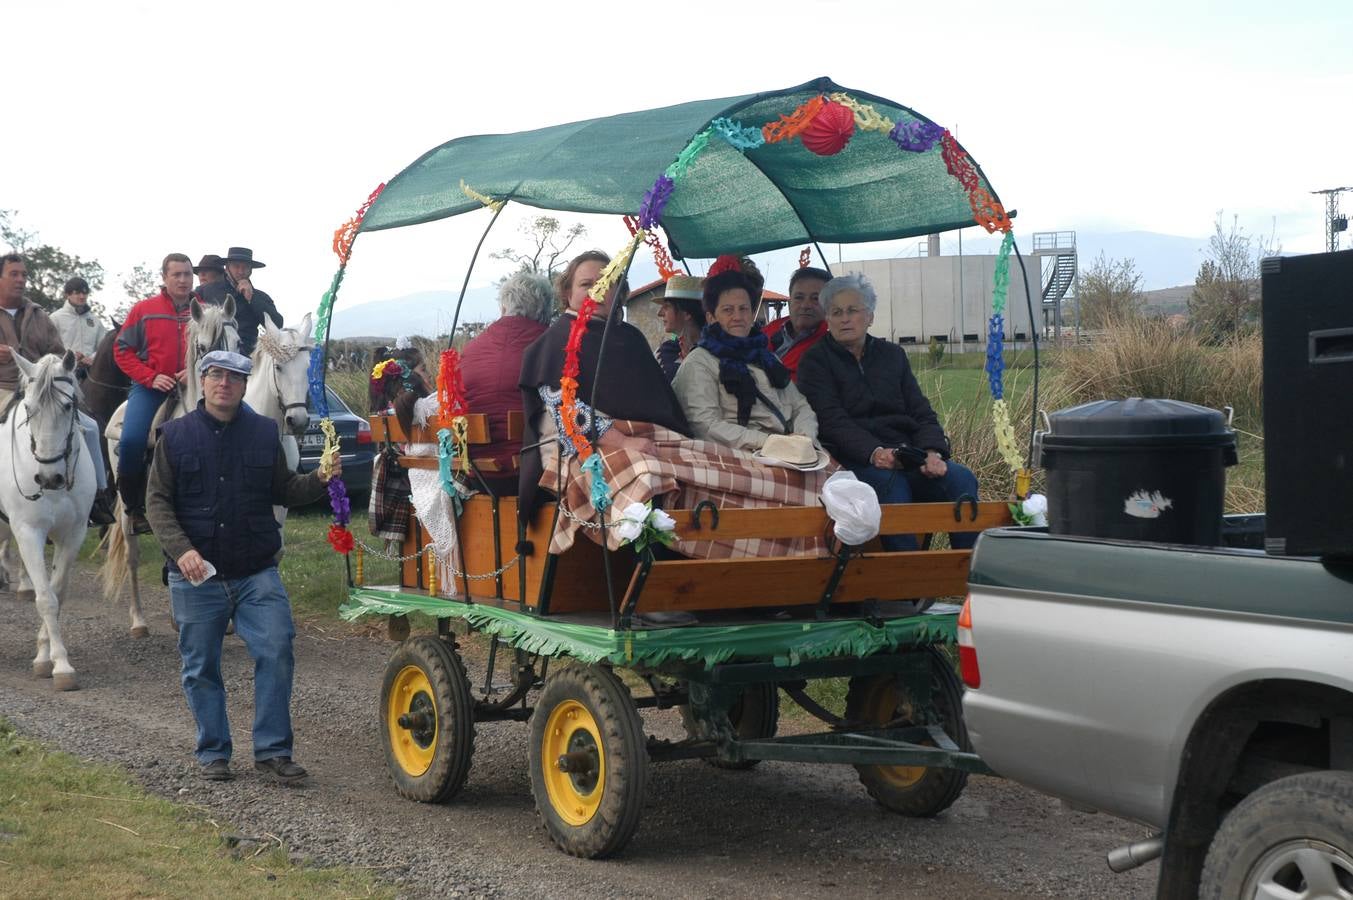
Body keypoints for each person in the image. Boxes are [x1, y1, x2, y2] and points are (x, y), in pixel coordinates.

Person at [146, 349, 338, 783]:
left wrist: (321, 479)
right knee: (201, 666)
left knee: (277, 649)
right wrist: (181, 551)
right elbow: (156, 502)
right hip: (196, 576)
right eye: (216, 375)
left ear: (244, 383)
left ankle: (272, 752)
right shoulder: (174, 436)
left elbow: (285, 490)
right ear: (203, 380)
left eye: (234, 377)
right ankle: (213, 752)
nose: (224, 384)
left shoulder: (264, 433)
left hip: (256, 572)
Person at [797, 273, 980, 550]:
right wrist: (876, 453)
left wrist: (933, 452)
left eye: (852, 310)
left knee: (961, 478)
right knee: (891, 487)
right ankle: (907, 586)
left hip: (907, 454)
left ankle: (967, 575)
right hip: (854, 461)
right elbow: (832, 421)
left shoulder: (892, 355)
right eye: (836, 312)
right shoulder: (815, 362)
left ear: (869, 317)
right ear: (828, 319)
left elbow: (921, 412)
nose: (845, 318)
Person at [518, 250, 690, 522]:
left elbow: (662, 406)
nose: (597, 291)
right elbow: (569, 418)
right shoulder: (554, 342)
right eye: (586, 284)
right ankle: (652, 559)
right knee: (648, 476)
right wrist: (624, 440)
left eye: (606, 283)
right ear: (568, 292)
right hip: (581, 454)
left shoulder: (629, 337)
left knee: (717, 467)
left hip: (651, 441)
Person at [0, 255, 113, 524]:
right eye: (14, 274)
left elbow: (58, 353)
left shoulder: (39, 315)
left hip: (43, 390)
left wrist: (63, 364)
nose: (21, 280)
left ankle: (98, 496)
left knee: (92, 426)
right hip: (2, 386)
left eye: (24, 275)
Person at [672, 258, 820, 454]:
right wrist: (771, 442)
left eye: (743, 309)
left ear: (752, 314)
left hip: (790, 449)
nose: (738, 317)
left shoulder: (766, 358)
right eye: (727, 310)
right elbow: (705, 425)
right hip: (744, 455)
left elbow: (800, 406)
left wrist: (804, 437)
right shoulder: (699, 362)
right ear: (711, 317)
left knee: (847, 482)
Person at [114, 253, 195, 534]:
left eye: (187, 274)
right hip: (151, 387)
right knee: (132, 440)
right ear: (164, 278)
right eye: (177, 275)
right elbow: (122, 351)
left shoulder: (206, 310)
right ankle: (133, 508)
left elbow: (218, 350)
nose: (183, 280)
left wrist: (195, 370)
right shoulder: (144, 310)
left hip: (195, 386)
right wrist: (151, 377)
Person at [460, 271, 553, 491]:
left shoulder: (471, 348)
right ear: (545, 310)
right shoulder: (551, 344)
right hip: (529, 474)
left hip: (477, 474)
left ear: (503, 308)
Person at [197, 247, 281, 356]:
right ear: (227, 268)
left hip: (247, 361)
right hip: (213, 359)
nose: (241, 271)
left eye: (245, 267)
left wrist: (252, 298)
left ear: (250, 270)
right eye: (236, 266)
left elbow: (277, 325)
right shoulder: (206, 290)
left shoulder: (261, 297)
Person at [762, 266, 831, 381]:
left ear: (829, 305)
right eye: (799, 297)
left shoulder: (832, 348)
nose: (805, 305)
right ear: (789, 303)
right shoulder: (765, 333)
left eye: (815, 298)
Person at [49, 276, 108, 372]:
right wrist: (71, 357)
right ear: (67, 295)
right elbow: (49, 346)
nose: (82, 296)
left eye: (85, 293)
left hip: (90, 373)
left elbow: (103, 346)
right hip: (63, 373)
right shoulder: (55, 318)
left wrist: (92, 359)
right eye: (77, 293)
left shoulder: (95, 321)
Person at [653, 274, 705, 382]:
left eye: (667, 307)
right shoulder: (663, 353)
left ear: (686, 313)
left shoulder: (714, 351)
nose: (660, 313)